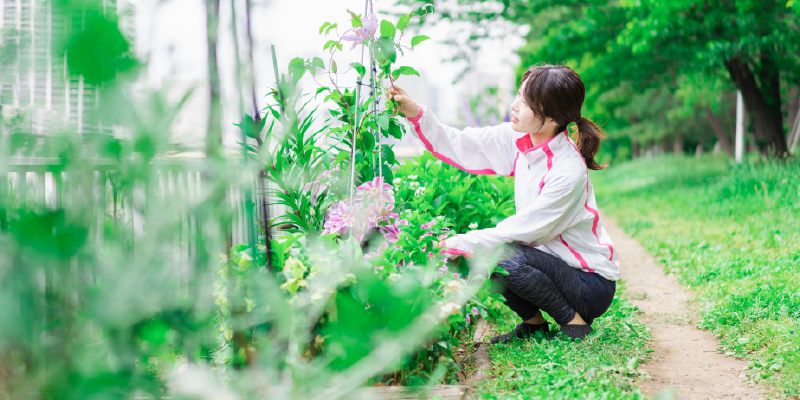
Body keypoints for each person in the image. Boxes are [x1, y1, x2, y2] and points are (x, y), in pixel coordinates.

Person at [388, 65, 619, 342]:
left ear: (552, 118)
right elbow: (462, 144)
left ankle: (576, 325)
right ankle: (533, 326)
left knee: (495, 252)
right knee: (485, 250)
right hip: (555, 268)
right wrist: (415, 112)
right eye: (519, 96)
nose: (514, 105)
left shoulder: (567, 171)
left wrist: (452, 243)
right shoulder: (519, 139)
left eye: (526, 102)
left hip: (589, 284)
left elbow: (524, 231)